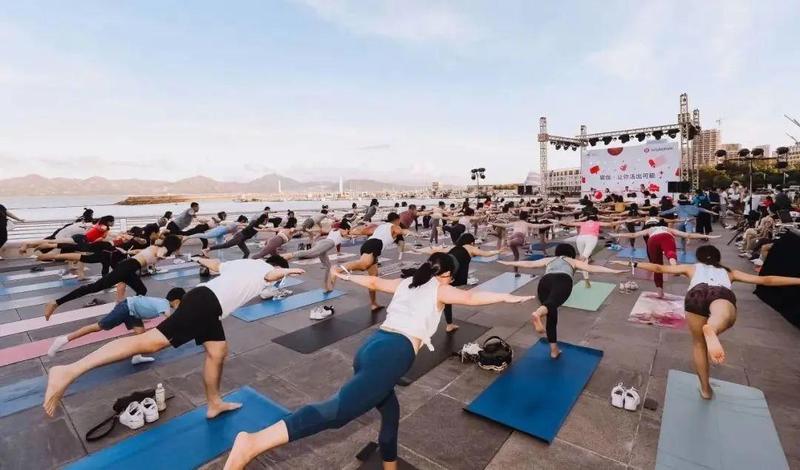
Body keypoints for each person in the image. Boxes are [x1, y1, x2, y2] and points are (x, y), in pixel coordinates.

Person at [222, 252, 535, 470]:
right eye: (451, 278)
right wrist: (509, 297)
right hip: (391, 355)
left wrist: (346, 275)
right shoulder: (441, 289)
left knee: (390, 413)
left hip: (372, 349)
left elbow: (373, 283)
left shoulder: (408, 283)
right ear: (447, 275)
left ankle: (389, 465)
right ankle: (253, 442)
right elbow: (471, 298)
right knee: (337, 412)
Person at [43, 256, 305, 418]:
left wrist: (200, 258)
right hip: (206, 305)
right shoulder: (266, 271)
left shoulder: (246, 263)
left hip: (206, 304)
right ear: (277, 266)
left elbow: (215, 265)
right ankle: (68, 371)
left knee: (217, 352)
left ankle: (214, 403)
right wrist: (282, 273)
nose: (275, 283)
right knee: (149, 343)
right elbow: (269, 275)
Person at [611, 245, 800, 399]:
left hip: (695, 295)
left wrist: (632, 263)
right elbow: (766, 279)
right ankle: (713, 327)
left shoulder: (691, 268)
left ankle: (705, 389)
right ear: (718, 259)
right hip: (720, 293)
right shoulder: (730, 272)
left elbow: (660, 268)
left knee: (699, 344)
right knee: (723, 315)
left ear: (699, 258)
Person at [500, 244, 627, 359]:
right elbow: (591, 268)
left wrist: (509, 263)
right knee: (551, 305)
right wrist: (614, 271)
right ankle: (538, 314)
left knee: (551, 313)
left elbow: (530, 264)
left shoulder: (550, 259)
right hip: (562, 280)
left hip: (545, 282)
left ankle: (554, 350)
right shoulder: (572, 261)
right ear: (571, 254)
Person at [43, 236, 182, 320]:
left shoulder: (155, 246)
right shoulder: (161, 249)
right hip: (126, 268)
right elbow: (160, 253)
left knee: (142, 290)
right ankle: (56, 302)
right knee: (93, 288)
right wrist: (162, 254)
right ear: (173, 246)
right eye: (177, 247)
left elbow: (149, 252)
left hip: (129, 268)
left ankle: (131, 313)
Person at [47, 288, 186, 364]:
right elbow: (171, 320)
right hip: (126, 308)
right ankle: (63, 339)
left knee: (141, 333)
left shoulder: (162, 302)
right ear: (177, 301)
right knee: (98, 327)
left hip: (133, 312)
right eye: (181, 303)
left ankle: (136, 356)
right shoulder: (164, 305)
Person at [414, 233, 503, 332]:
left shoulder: (455, 247)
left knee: (442, 293)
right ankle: (448, 324)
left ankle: (447, 323)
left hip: (444, 265)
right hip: (452, 267)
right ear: (471, 242)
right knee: (445, 295)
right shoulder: (469, 247)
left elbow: (440, 251)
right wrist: (498, 251)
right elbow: (485, 253)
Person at [610, 222, 718, 298]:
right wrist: (707, 236)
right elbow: (688, 235)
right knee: (670, 252)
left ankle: (660, 291)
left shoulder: (650, 230)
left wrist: (617, 234)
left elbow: (633, 235)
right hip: (666, 237)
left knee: (657, 266)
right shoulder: (667, 229)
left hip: (652, 240)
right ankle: (674, 266)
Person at [327, 213, 409, 311]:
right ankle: (337, 269)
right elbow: (401, 231)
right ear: (397, 220)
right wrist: (410, 232)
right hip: (374, 245)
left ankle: (373, 304)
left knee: (373, 278)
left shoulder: (381, 227)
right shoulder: (394, 227)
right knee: (363, 265)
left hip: (371, 245)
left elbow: (365, 231)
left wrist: (355, 231)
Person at [282, 221, 350, 273]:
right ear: (346, 228)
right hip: (328, 243)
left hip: (324, 242)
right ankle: (290, 255)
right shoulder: (343, 231)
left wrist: (311, 231)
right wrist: (350, 235)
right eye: (348, 229)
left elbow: (323, 231)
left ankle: (328, 267)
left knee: (323, 254)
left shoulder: (334, 230)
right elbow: (346, 233)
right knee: (312, 253)